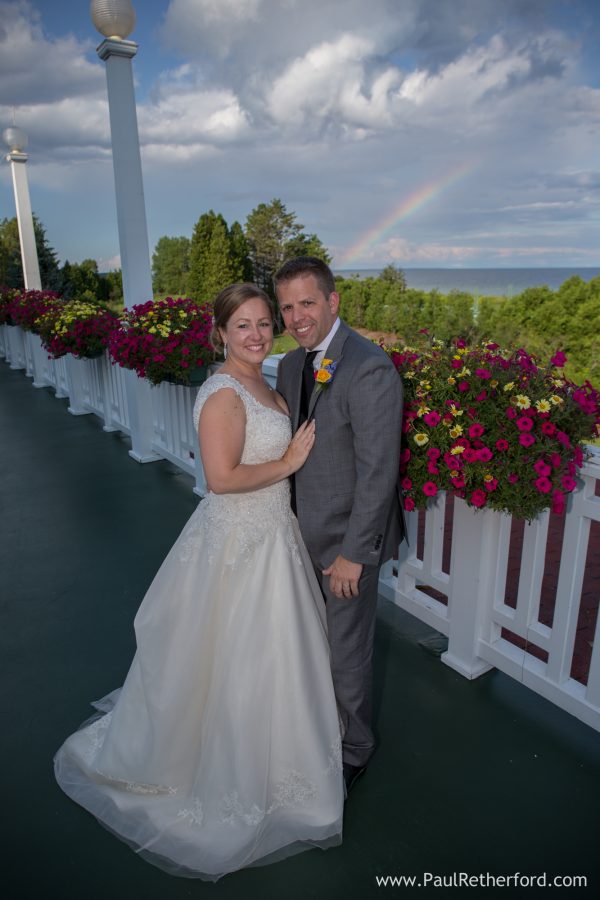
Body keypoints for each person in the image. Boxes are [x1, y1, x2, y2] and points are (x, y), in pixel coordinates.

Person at [54, 283, 344, 881]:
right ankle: (221, 773)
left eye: (265, 322)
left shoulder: (267, 379)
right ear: (220, 333)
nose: (258, 334)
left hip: (274, 537)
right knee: (232, 659)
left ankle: (286, 766)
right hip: (238, 541)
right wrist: (289, 463)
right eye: (243, 325)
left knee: (276, 658)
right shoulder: (222, 395)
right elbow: (220, 478)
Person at [275, 257, 403, 793]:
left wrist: (356, 552)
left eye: (308, 302)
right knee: (305, 643)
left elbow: (379, 472)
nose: (297, 316)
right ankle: (315, 729)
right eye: (287, 306)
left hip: (346, 543)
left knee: (347, 652)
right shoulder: (287, 366)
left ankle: (354, 751)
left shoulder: (369, 367)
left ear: (334, 302)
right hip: (294, 535)